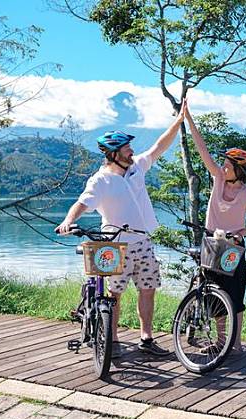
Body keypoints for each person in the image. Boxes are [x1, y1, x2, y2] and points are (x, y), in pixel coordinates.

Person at [56, 100, 187, 357]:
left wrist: (178, 121)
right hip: (115, 244)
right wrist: (68, 221)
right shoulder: (100, 180)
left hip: (143, 242)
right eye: (127, 149)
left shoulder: (137, 166)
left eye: (130, 148)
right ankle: (112, 341)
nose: (131, 152)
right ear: (113, 154)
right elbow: (81, 203)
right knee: (114, 293)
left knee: (148, 289)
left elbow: (159, 146)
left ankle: (146, 339)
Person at [183, 102, 246, 352]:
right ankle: (219, 342)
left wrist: (241, 232)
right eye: (224, 164)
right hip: (212, 244)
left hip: (233, 247)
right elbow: (202, 150)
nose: (223, 167)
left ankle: (235, 344)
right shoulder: (217, 179)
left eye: (228, 165)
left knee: (235, 296)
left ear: (238, 170)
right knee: (213, 294)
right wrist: (187, 118)